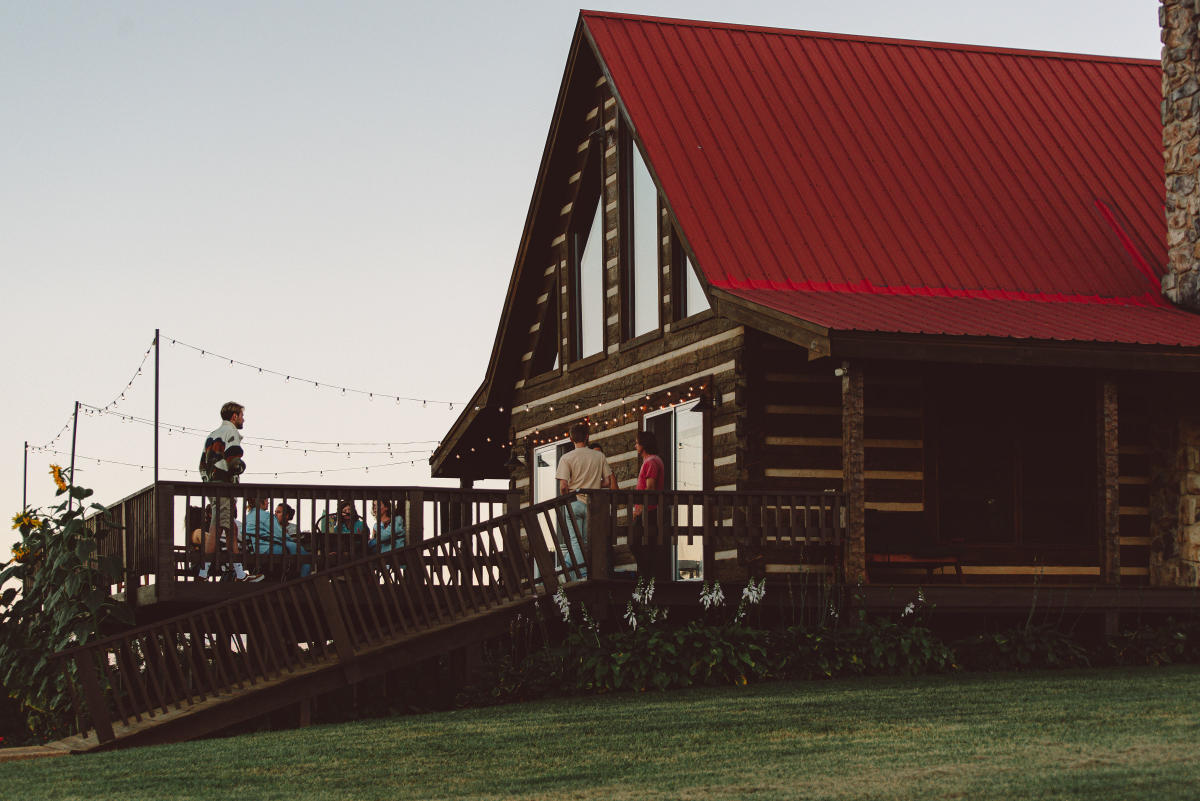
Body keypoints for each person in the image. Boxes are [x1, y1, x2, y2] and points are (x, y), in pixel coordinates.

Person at [197, 401, 261, 582]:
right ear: (234, 416)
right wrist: (240, 468)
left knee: (229, 527)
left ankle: (238, 573)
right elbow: (234, 460)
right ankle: (205, 573)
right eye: (241, 415)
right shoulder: (231, 432)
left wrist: (207, 481)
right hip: (224, 486)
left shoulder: (211, 435)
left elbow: (201, 464)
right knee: (217, 527)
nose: (243, 419)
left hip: (212, 485)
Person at [555, 423, 617, 578]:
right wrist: (595, 483)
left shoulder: (566, 458)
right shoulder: (599, 456)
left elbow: (563, 486)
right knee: (587, 542)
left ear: (571, 438)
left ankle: (580, 573)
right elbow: (608, 482)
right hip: (593, 505)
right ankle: (569, 569)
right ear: (587, 437)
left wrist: (567, 493)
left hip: (574, 503)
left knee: (576, 541)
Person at [632, 429, 670, 582]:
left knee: (638, 544)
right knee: (642, 545)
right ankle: (647, 576)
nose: (635, 446)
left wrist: (640, 508)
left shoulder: (652, 462)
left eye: (637, 443)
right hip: (648, 510)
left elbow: (650, 488)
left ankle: (647, 578)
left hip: (650, 511)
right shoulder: (650, 461)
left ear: (644, 444)